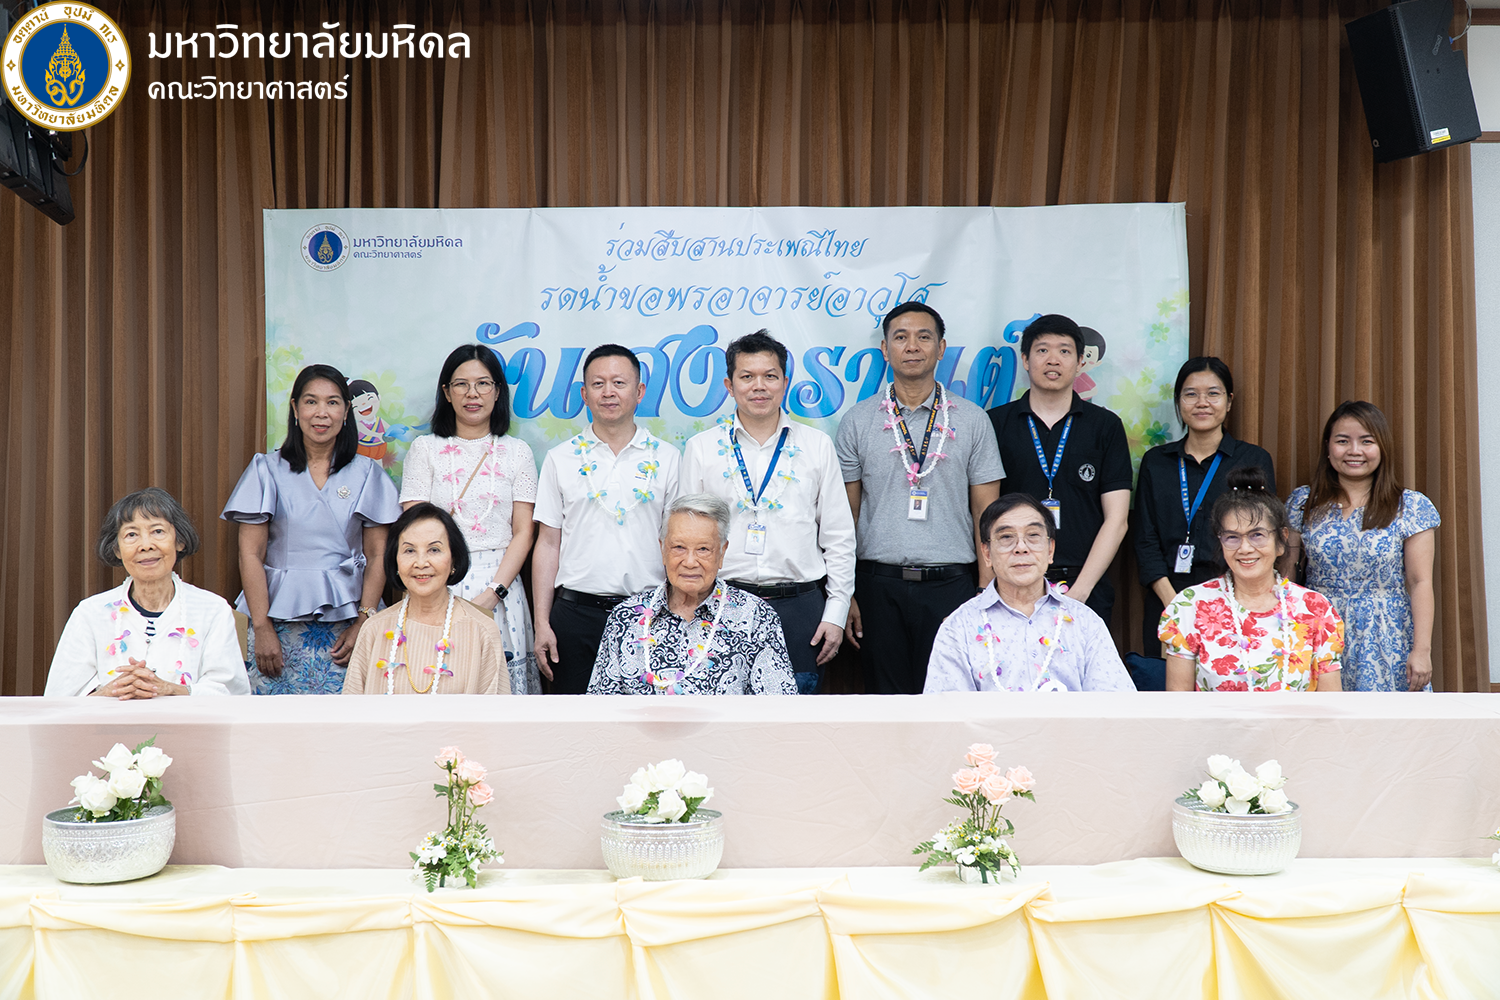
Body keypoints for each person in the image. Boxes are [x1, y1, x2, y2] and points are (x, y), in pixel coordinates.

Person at [836, 302, 1004, 694]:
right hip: (878, 587)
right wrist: (847, 594)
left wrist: (984, 592)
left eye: (923, 336)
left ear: (941, 348)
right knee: (887, 703)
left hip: (952, 586)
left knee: (949, 702)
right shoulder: (858, 421)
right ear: (884, 348)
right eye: (901, 337)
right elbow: (846, 517)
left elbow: (987, 514)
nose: (912, 346)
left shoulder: (972, 419)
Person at [681, 330, 856, 694]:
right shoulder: (701, 448)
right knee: (720, 720)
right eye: (747, 377)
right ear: (730, 385)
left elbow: (839, 537)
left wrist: (836, 613)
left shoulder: (817, 446)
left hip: (800, 609)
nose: (759, 386)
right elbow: (685, 539)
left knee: (793, 726)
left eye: (770, 376)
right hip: (722, 606)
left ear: (785, 382)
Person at [222, 364, 402, 695]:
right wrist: (261, 627)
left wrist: (365, 622)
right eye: (311, 401)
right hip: (274, 622)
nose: (322, 413)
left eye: (333, 402)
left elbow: (378, 555)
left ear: (347, 411)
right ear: (294, 408)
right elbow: (250, 553)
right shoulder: (266, 469)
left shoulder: (367, 474)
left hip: (348, 625)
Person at [533, 344, 682, 693]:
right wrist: (542, 621)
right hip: (574, 614)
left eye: (619, 382)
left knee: (646, 728)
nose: (609, 392)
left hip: (648, 613)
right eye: (598, 384)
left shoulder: (668, 457)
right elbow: (548, 543)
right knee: (574, 727)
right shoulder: (560, 459)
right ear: (584, 394)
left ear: (639, 391)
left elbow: (678, 543)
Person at [398, 345, 540, 696]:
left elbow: (523, 533)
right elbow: (413, 529)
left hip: (501, 586)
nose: (472, 394)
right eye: (461, 384)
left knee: (501, 691)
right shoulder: (424, 450)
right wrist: (435, 588)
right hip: (435, 581)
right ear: (446, 392)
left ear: (497, 392)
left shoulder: (518, 452)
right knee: (434, 682)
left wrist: (494, 594)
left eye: (483, 384)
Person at [987, 314, 1132, 627]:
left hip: (1084, 586)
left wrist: (1080, 592)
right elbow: (983, 512)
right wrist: (993, 586)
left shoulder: (1105, 426)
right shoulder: (995, 424)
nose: (1053, 359)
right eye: (1042, 351)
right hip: (1013, 584)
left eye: (1064, 351)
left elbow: (1117, 519)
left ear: (1080, 361)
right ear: (1025, 359)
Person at [1284, 401, 1439, 692]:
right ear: (1328, 447)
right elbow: (1286, 577)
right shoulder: (1303, 503)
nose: (1354, 451)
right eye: (1343, 441)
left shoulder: (1410, 506)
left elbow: (1420, 582)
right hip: (1317, 629)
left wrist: (1422, 650)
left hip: (1386, 634)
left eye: (1366, 441)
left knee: (1386, 728)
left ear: (1382, 447)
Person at [1134, 357, 1277, 658]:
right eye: (1190, 394)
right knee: (1172, 693)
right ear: (1178, 402)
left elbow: (1261, 538)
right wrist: (1175, 604)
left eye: (1213, 393)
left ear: (1229, 402)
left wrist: (1222, 601)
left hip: (1233, 596)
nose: (1202, 403)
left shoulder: (1253, 459)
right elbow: (1144, 539)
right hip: (1168, 596)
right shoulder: (1156, 462)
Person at [46, 488, 250, 697]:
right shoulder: (89, 613)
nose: (145, 545)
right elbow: (60, 698)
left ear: (180, 541)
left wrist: (170, 690)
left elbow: (231, 692)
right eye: (132, 534)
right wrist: (109, 693)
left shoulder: (213, 610)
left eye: (158, 531)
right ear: (117, 549)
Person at [588, 494, 797, 695]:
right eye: (678, 547)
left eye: (703, 549)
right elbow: (600, 711)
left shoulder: (755, 617)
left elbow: (778, 708)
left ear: (722, 553)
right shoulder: (625, 618)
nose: (689, 562)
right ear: (662, 550)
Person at [1160, 468, 1344, 692]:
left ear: (1281, 540)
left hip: (1295, 728)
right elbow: (1180, 709)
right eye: (1232, 537)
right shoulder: (1190, 605)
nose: (1245, 548)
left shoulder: (1315, 608)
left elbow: (1329, 707)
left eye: (1257, 535)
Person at [925, 495, 1133, 692]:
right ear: (987, 554)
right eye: (1006, 537)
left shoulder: (1086, 623)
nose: (1021, 548)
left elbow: (1115, 705)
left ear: (1050, 550)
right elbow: (947, 717)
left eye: (1033, 535)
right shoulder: (958, 627)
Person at [343, 504, 511, 695]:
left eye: (434, 550)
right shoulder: (373, 629)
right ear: (395, 561)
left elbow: (495, 719)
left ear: (454, 559)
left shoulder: (482, 631)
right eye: (409, 551)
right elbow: (352, 714)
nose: (421, 563)